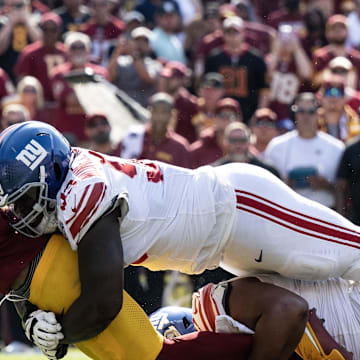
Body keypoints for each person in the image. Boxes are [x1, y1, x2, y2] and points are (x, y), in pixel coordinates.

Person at [2, 120, 360, 353]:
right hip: (228, 242)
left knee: (354, 256)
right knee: (322, 304)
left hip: (245, 211)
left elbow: (103, 303)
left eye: (26, 198)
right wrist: (39, 318)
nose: (20, 213)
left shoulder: (81, 194)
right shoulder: (72, 182)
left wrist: (59, 333)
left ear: (52, 173)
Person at [0, 211, 255, 360]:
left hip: (77, 277)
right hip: (58, 289)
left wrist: (55, 331)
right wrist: (31, 314)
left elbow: (105, 305)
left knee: (158, 356)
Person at [264, 92, 345, 209]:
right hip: (288, 213)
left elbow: (344, 190)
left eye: (311, 112)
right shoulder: (277, 146)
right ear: (294, 113)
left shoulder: (336, 147)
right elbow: (268, 188)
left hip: (325, 213)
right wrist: (285, 185)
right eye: (301, 111)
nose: (306, 116)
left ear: (318, 113)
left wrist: (325, 185)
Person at [14, 11, 67, 103]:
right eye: (45, 29)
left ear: (59, 31)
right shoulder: (30, 52)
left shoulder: (66, 52)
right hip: (38, 104)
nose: (49, 33)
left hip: (62, 103)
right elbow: (22, 81)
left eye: (53, 30)